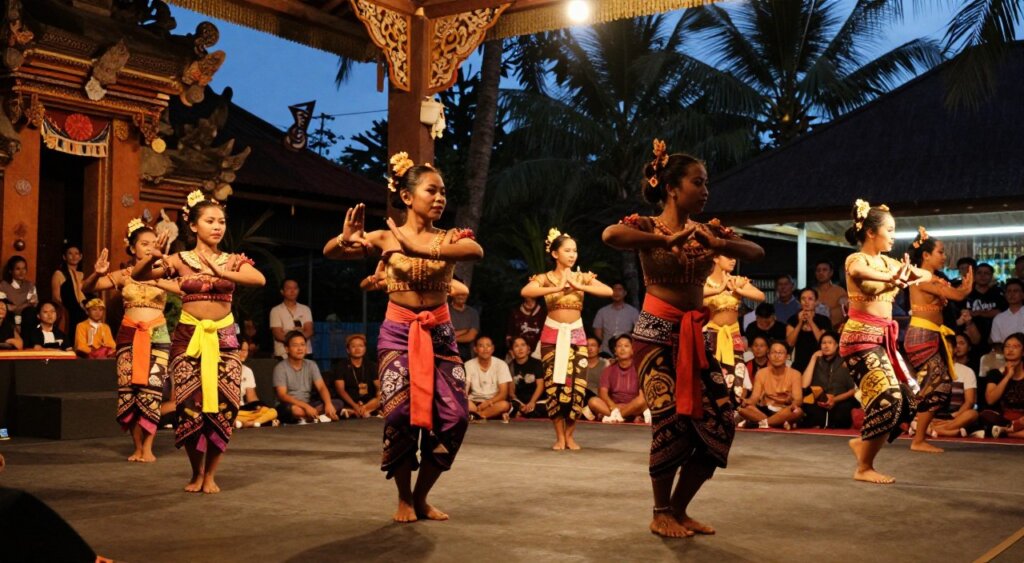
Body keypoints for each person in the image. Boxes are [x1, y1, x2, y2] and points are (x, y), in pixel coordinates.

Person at [602, 139, 763, 538]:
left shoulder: (708, 231)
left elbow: (755, 251)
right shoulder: (644, 226)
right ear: (673, 188)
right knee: (670, 419)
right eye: (698, 182)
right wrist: (662, 241)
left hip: (694, 336)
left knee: (721, 423)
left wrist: (721, 243)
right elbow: (610, 235)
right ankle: (659, 511)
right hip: (655, 335)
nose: (706, 190)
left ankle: (678, 508)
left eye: (706, 183)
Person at [323, 152, 483, 523]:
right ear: (408, 197)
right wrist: (344, 239)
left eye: (443, 192)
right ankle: (404, 498)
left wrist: (416, 248)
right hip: (397, 333)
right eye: (432, 191)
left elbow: (476, 251)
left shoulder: (451, 237)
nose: (440, 198)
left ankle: (422, 495)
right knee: (399, 416)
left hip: (441, 334)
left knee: (456, 417)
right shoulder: (383, 236)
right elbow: (332, 252)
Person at [133, 189, 266, 494]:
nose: (218, 226)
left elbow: (259, 280)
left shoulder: (233, 261)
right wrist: (151, 258)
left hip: (225, 339)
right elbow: (141, 277)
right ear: (193, 225)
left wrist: (221, 271)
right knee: (189, 407)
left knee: (225, 406)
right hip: (188, 338)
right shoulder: (179, 260)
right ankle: (197, 471)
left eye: (221, 221)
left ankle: (212, 474)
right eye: (210, 221)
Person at [840, 199, 929, 484]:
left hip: (882, 340)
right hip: (859, 338)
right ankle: (864, 467)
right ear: (870, 233)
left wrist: (910, 274)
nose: (893, 236)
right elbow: (858, 274)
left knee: (908, 399)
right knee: (889, 398)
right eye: (889, 230)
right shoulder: (857, 259)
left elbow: (924, 274)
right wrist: (894, 277)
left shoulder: (890, 261)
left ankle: (863, 446)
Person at [82, 220, 182, 462]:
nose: (148, 248)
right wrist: (98, 272)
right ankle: (136, 447)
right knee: (130, 392)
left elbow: (185, 289)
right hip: (128, 334)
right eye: (143, 244)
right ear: (132, 248)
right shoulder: (125, 274)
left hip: (157, 335)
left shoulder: (165, 271)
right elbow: (87, 288)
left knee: (152, 392)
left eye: (152, 243)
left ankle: (148, 447)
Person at [520, 228, 613, 450]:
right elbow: (526, 292)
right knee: (555, 387)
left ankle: (570, 435)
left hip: (576, 335)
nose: (572, 254)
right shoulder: (545, 278)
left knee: (576, 388)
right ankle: (559, 436)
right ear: (555, 254)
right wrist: (559, 287)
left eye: (575, 251)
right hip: (552, 336)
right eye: (567, 250)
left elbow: (608, 291)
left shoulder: (581, 277)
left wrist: (580, 286)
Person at [904, 227, 974, 453]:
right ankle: (912, 427)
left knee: (939, 386)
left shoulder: (930, 278)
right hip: (921, 335)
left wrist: (962, 289)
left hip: (930, 334)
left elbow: (956, 293)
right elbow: (958, 295)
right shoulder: (919, 276)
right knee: (937, 384)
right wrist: (965, 289)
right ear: (925, 255)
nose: (944, 256)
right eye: (940, 252)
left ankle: (917, 432)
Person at [704, 254, 765, 404]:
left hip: (733, 335)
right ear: (716, 258)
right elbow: (694, 297)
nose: (733, 260)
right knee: (712, 379)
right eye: (729, 257)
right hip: (711, 335)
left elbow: (761, 296)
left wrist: (740, 290)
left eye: (734, 257)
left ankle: (730, 414)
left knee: (736, 381)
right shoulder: (704, 281)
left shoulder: (735, 280)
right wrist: (720, 288)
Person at [273, 331, 341, 424]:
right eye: (295, 345)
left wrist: (328, 404)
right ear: (287, 348)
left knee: (337, 403)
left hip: (309, 404)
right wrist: (306, 407)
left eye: (302, 344)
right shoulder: (280, 367)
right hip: (290, 405)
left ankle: (309, 417)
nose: (300, 348)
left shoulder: (311, 364)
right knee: (290, 410)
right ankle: (319, 416)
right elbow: (282, 395)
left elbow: (321, 387)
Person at [925, 333, 981, 438]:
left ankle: (933, 429)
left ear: (955, 349)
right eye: (942, 346)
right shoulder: (931, 369)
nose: (944, 349)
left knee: (972, 414)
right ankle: (950, 431)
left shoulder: (967, 371)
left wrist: (957, 415)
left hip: (956, 415)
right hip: (933, 415)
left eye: (948, 347)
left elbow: (970, 402)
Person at [738, 341, 803, 429]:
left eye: (780, 353)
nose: (776, 356)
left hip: (784, 410)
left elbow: (798, 399)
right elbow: (754, 397)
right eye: (773, 352)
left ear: (787, 356)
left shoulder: (795, 374)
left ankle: (761, 423)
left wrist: (791, 403)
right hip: (765, 410)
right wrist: (748, 401)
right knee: (742, 409)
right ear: (768, 355)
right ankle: (778, 423)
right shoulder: (761, 373)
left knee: (797, 411)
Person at [800, 332, 857, 429]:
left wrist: (834, 399)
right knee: (810, 410)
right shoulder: (816, 361)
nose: (826, 346)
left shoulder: (845, 362)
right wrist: (813, 359)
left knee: (843, 412)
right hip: (818, 400)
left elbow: (853, 390)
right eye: (823, 343)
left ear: (837, 345)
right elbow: (804, 384)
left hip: (841, 400)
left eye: (830, 343)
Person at [587, 334, 647, 423]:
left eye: (626, 346)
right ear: (615, 351)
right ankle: (625, 416)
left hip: (634, 406)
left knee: (643, 401)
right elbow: (603, 393)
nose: (622, 349)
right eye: (619, 346)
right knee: (593, 401)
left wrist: (626, 407)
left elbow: (642, 396)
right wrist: (613, 406)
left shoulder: (640, 368)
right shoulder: (608, 369)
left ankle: (616, 417)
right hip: (614, 406)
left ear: (632, 350)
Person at [980, 332, 1024, 439]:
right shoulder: (995, 373)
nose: (1010, 350)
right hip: (1003, 420)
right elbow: (990, 399)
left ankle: (1005, 433)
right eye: (1007, 346)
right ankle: (1007, 430)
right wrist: (1008, 376)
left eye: (1015, 346)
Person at [329, 333, 380, 418]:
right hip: (348, 401)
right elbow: (340, 390)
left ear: (365, 349)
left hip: (368, 402)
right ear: (348, 350)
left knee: (383, 397)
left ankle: (361, 411)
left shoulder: (371, 366)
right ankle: (361, 412)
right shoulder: (341, 366)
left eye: (360, 346)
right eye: (353, 346)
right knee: (337, 403)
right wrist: (354, 405)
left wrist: (377, 397)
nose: (357, 349)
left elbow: (378, 387)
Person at [465, 336, 513, 422]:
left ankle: (476, 416)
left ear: (493, 349)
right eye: (481, 346)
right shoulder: (468, 365)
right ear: (475, 349)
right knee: (462, 402)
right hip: (474, 402)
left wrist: (487, 403)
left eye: (488, 345)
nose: (485, 349)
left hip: (493, 402)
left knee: (504, 405)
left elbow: (503, 394)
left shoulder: (501, 364)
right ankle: (487, 415)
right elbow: (464, 391)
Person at [785, 287, 832, 372]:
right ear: (799, 302)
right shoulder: (793, 320)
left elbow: (823, 341)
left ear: (816, 302)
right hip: (799, 364)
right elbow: (790, 343)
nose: (806, 302)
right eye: (803, 299)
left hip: (820, 364)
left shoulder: (824, 320)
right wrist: (799, 323)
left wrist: (811, 321)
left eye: (810, 299)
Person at [236, 340, 279, 428]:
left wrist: (259, 407)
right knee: (223, 416)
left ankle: (250, 423)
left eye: (246, 350)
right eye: (241, 350)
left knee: (272, 411)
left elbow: (251, 398)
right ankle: (261, 423)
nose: (244, 353)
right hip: (229, 410)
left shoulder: (247, 371)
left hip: (244, 410)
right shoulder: (221, 369)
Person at [269, 279, 314, 359]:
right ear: (282, 291)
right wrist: (295, 341)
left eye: (295, 288)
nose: (292, 291)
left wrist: (295, 341)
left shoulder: (305, 309)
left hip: (305, 353)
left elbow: (309, 331)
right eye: (289, 288)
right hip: (283, 354)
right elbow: (278, 334)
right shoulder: (276, 310)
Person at [51, 242, 89, 334]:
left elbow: (83, 294)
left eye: (76, 253)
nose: (74, 256)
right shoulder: (59, 274)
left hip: (81, 308)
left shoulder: (81, 275)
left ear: (80, 256)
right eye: (70, 253)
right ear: (64, 257)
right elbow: (56, 297)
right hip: (67, 309)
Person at [593, 282, 640, 355]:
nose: (616, 292)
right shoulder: (602, 311)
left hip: (625, 350)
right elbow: (597, 331)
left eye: (619, 290)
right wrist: (607, 341)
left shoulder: (633, 311)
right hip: (606, 350)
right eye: (614, 290)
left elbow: (638, 331)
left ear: (625, 293)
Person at [507, 336, 545, 418]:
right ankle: (523, 411)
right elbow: (511, 392)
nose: (520, 349)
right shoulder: (509, 366)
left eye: (523, 345)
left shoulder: (537, 363)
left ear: (528, 349)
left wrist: (532, 402)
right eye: (516, 346)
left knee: (546, 407)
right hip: (518, 401)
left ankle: (523, 413)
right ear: (512, 352)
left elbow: (540, 385)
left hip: (537, 400)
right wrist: (521, 405)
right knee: (508, 406)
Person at [0, 255, 38, 328]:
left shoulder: (30, 285)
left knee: (30, 313)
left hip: (26, 319)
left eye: (24, 268)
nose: (22, 272)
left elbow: (34, 304)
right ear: (11, 271)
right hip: (9, 320)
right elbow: (7, 308)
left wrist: (18, 306)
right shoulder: (3, 286)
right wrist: (27, 304)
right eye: (18, 269)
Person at [990, 278, 1024, 346]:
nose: (1012, 294)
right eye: (1009, 291)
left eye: (1015, 291)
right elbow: (996, 343)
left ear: (1023, 294)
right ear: (1005, 295)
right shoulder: (999, 318)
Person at [814, 260, 848, 328]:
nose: (821, 272)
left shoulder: (840, 291)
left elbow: (843, 313)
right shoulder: (812, 292)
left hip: (833, 331)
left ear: (831, 273)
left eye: (824, 270)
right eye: (818, 270)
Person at [450, 292, 479, 361]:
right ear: (452, 295)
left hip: (468, 354)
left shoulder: (473, 312)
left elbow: (471, 336)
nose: (461, 296)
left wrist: (451, 338)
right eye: (458, 294)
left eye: (463, 294)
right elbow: (444, 334)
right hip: (447, 353)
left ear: (467, 295)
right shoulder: (445, 310)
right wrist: (465, 331)